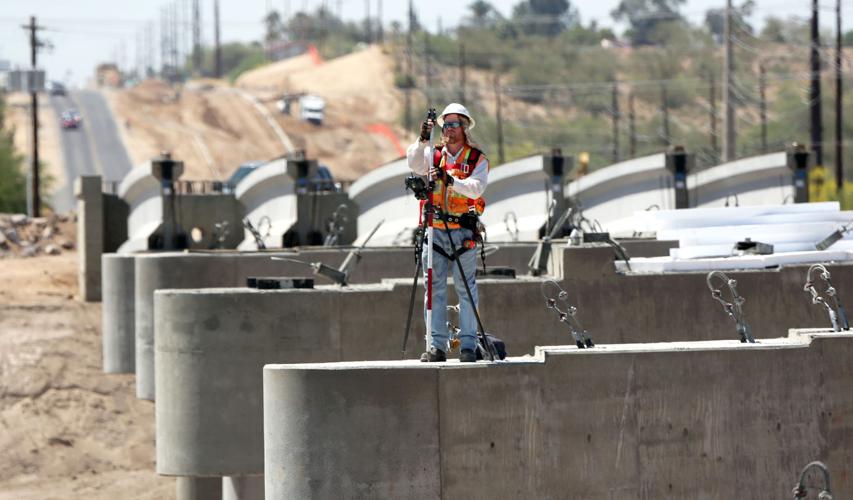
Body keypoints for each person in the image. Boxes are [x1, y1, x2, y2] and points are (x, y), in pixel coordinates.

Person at [406, 103, 490, 363]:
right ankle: (436, 345)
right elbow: (414, 163)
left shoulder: (476, 159)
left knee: (466, 290)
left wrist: (450, 179)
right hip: (436, 230)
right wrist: (422, 139)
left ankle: (468, 345)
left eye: (454, 124)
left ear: (464, 127)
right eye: (446, 125)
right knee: (434, 289)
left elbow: (475, 189)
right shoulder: (433, 154)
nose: (449, 130)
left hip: (462, 232)